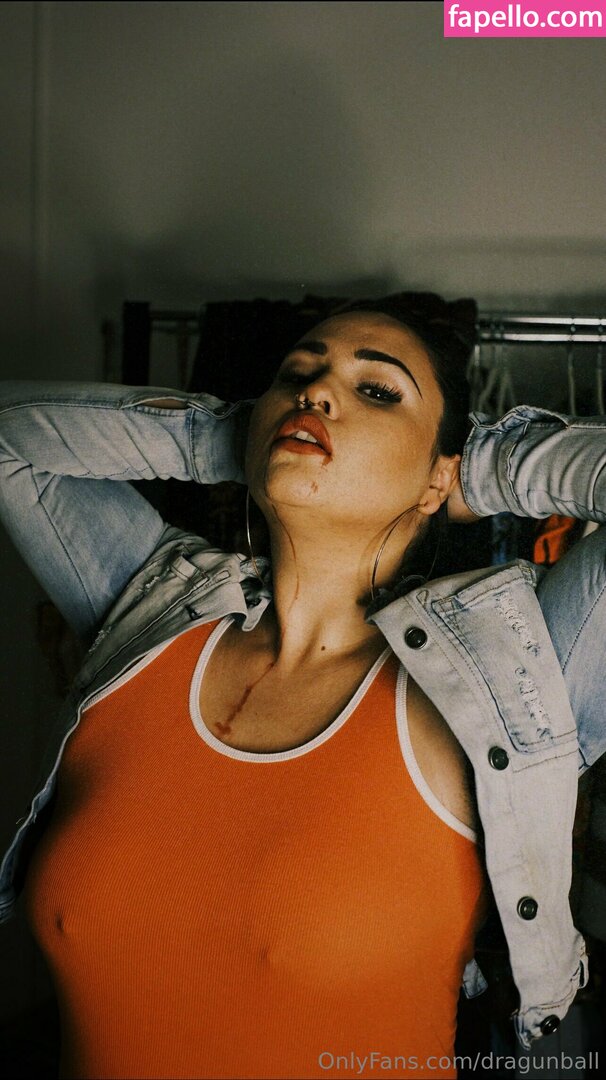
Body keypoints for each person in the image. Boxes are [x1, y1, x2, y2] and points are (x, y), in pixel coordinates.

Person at [0, 294, 605, 1079]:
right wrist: (242, 437)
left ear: (437, 480)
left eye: (377, 390)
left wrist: (475, 469)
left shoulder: (506, 684)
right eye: (296, 375)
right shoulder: (149, 614)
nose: (315, 391)